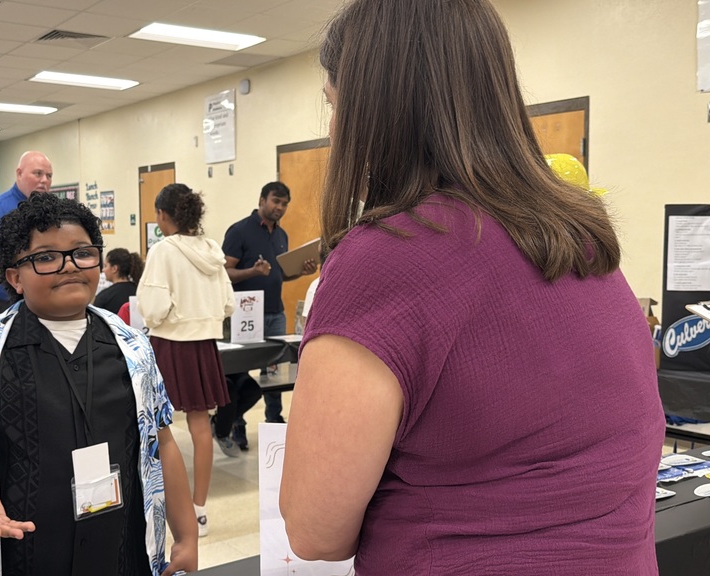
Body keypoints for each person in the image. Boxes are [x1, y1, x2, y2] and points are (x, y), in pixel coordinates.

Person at [279, 2, 663, 575]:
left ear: (374, 108)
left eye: (335, 105)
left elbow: (314, 529)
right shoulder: (580, 235)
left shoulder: (386, 257)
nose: (333, 129)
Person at [0, 193, 197, 576]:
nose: (69, 266)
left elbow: (161, 443)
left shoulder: (132, 346)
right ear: (14, 276)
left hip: (120, 551)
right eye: (45, 257)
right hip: (23, 553)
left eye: (82, 252)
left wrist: (187, 535)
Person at [137, 183, 234, 538]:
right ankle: (200, 510)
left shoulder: (163, 251)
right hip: (205, 344)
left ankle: (163, 506)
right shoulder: (213, 250)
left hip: (170, 344)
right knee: (200, 425)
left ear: (163, 215)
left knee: (160, 427)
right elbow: (229, 304)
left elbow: (154, 308)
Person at [220, 181, 316, 443]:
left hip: (275, 313)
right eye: (276, 201)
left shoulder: (281, 235)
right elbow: (223, 274)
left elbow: (279, 275)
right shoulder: (240, 231)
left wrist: (300, 271)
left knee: (274, 371)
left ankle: (274, 420)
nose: (280, 207)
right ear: (262, 199)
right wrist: (252, 271)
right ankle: (236, 423)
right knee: (241, 371)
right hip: (245, 314)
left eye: (284, 204)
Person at [0, 151, 53, 318]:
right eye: (38, 173)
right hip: (4, 305)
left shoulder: (51, 211)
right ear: (19, 173)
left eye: (49, 175)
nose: (44, 180)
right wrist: (31, 267)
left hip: (43, 304)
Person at [94, 248, 143, 314]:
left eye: (105, 266)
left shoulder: (104, 297)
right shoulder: (139, 291)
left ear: (114, 268)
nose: (103, 270)